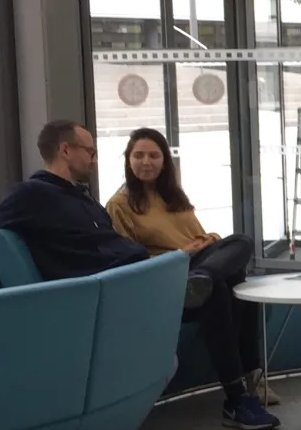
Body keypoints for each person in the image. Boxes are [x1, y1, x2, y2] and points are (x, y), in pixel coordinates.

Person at [0, 120, 278, 430]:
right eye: (89, 151)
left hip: (142, 276)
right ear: (65, 150)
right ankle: (238, 398)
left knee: (236, 254)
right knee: (219, 291)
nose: (94, 159)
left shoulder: (82, 198)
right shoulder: (33, 194)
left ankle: (202, 286)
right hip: (123, 290)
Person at [105, 127, 278, 412]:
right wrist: (178, 254)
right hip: (166, 278)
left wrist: (199, 251)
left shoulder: (174, 198)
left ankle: (203, 279)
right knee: (227, 287)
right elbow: (129, 262)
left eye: (153, 155)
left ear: (164, 162)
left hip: (195, 272)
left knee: (241, 244)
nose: (146, 162)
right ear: (128, 160)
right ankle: (246, 383)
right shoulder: (119, 205)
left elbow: (203, 238)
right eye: (138, 156)